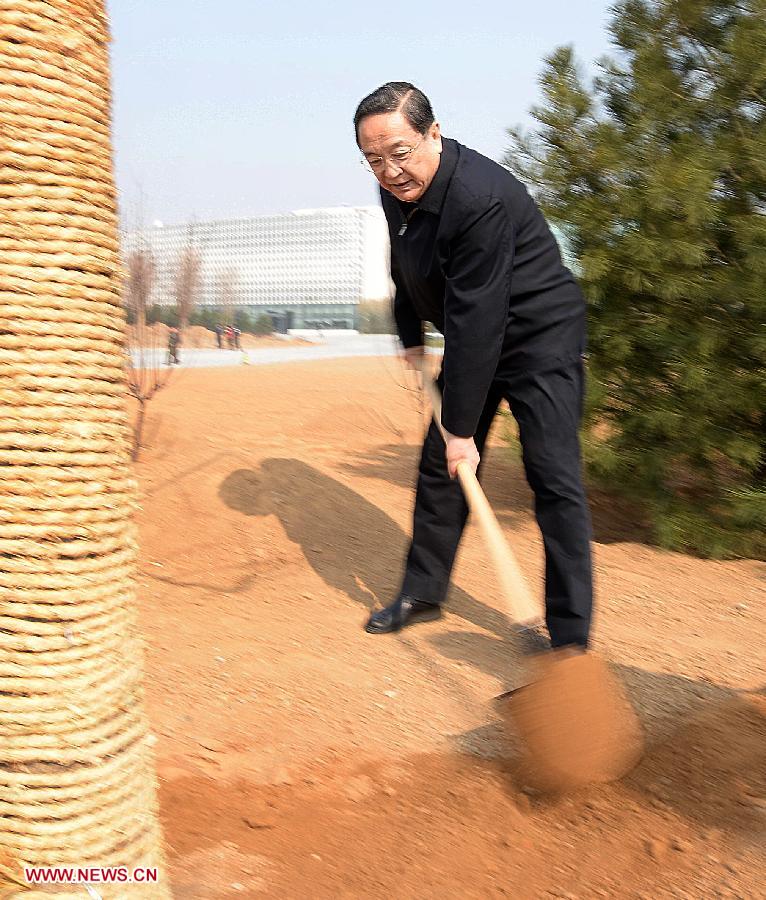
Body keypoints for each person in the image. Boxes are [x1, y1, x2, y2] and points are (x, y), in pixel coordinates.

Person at [355, 82, 593, 651]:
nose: (389, 171)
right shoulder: (400, 191)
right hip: (475, 333)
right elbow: (406, 262)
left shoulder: (479, 198)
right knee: (441, 468)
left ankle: (569, 636)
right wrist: (409, 333)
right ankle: (423, 592)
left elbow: (478, 322)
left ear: (433, 134)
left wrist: (460, 430)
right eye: (374, 159)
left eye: (400, 153)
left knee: (553, 479)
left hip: (539, 339)